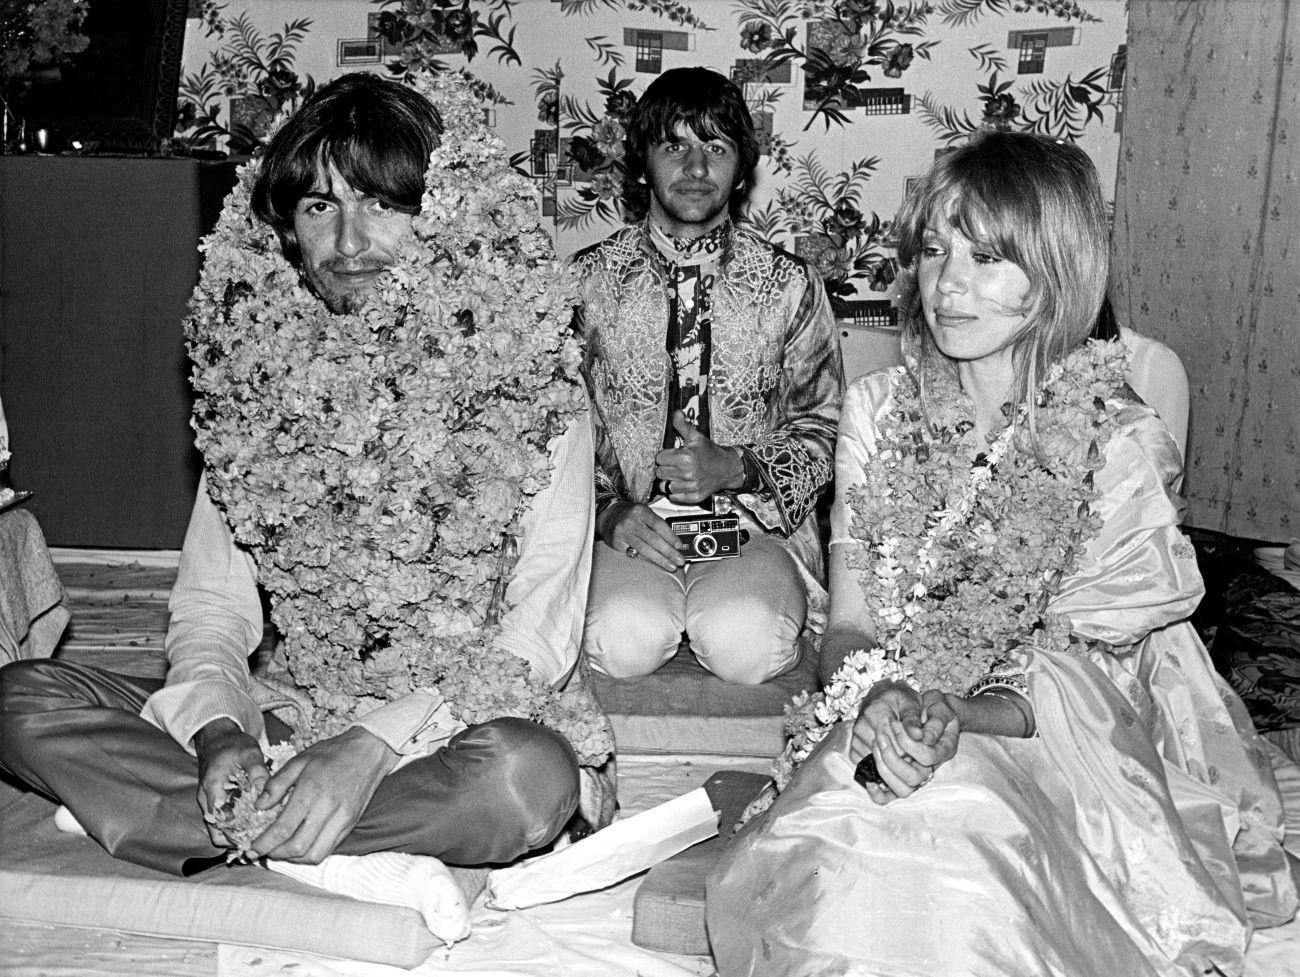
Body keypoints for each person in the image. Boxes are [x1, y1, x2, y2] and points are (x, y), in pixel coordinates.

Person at [0, 73, 609, 943]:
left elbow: (537, 636)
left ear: (442, 215)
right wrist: (219, 734)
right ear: (287, 227)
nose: (349, 240)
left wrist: (364, 752)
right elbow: (211, 605)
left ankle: (204, 825)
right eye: (320, 207)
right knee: (20, 695)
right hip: (296, 711)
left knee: (525, 780)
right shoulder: (259, 368)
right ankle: (320, 842)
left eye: (379, 204)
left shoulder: (537, 374)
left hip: (454, 726)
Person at [706, 131, 1297, 975]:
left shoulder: (1116, 442)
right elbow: (849, 625)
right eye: (937, 249)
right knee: (852, 835)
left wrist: (959, 716)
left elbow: (1091, 676)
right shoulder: (876, 410)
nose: (948, 284)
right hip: (901, 705)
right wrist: (884, 693)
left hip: (1061, 733)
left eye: (987, 258)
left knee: (960, 827)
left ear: (1054, 272)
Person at [572, 67, 842, 685]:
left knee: (747, 649)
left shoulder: (790, 285)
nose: (696, 168)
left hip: (751, 527)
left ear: (741, 170)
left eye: (715, 148)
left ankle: (733, 609)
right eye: (675, 146)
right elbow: (549, 427)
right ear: (642, 164)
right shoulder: (584, 283)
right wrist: (608, 514)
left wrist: (738, 467)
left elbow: (826, 427)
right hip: (629, 530)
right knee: (622, 643)